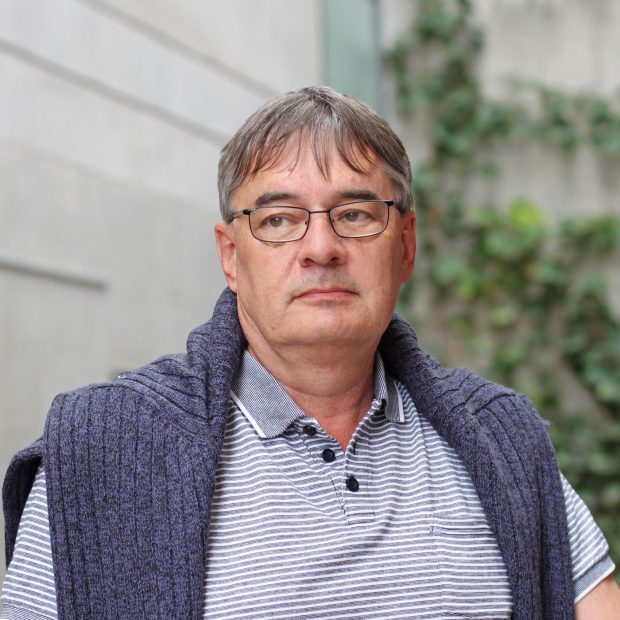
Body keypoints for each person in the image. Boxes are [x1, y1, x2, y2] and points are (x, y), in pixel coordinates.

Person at [2, 86, 619, 620]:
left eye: (355, 213)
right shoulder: (101, 450)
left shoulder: (500, 438)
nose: (321, 247)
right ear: (230, 256)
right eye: (278, 219)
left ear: (406, 246)